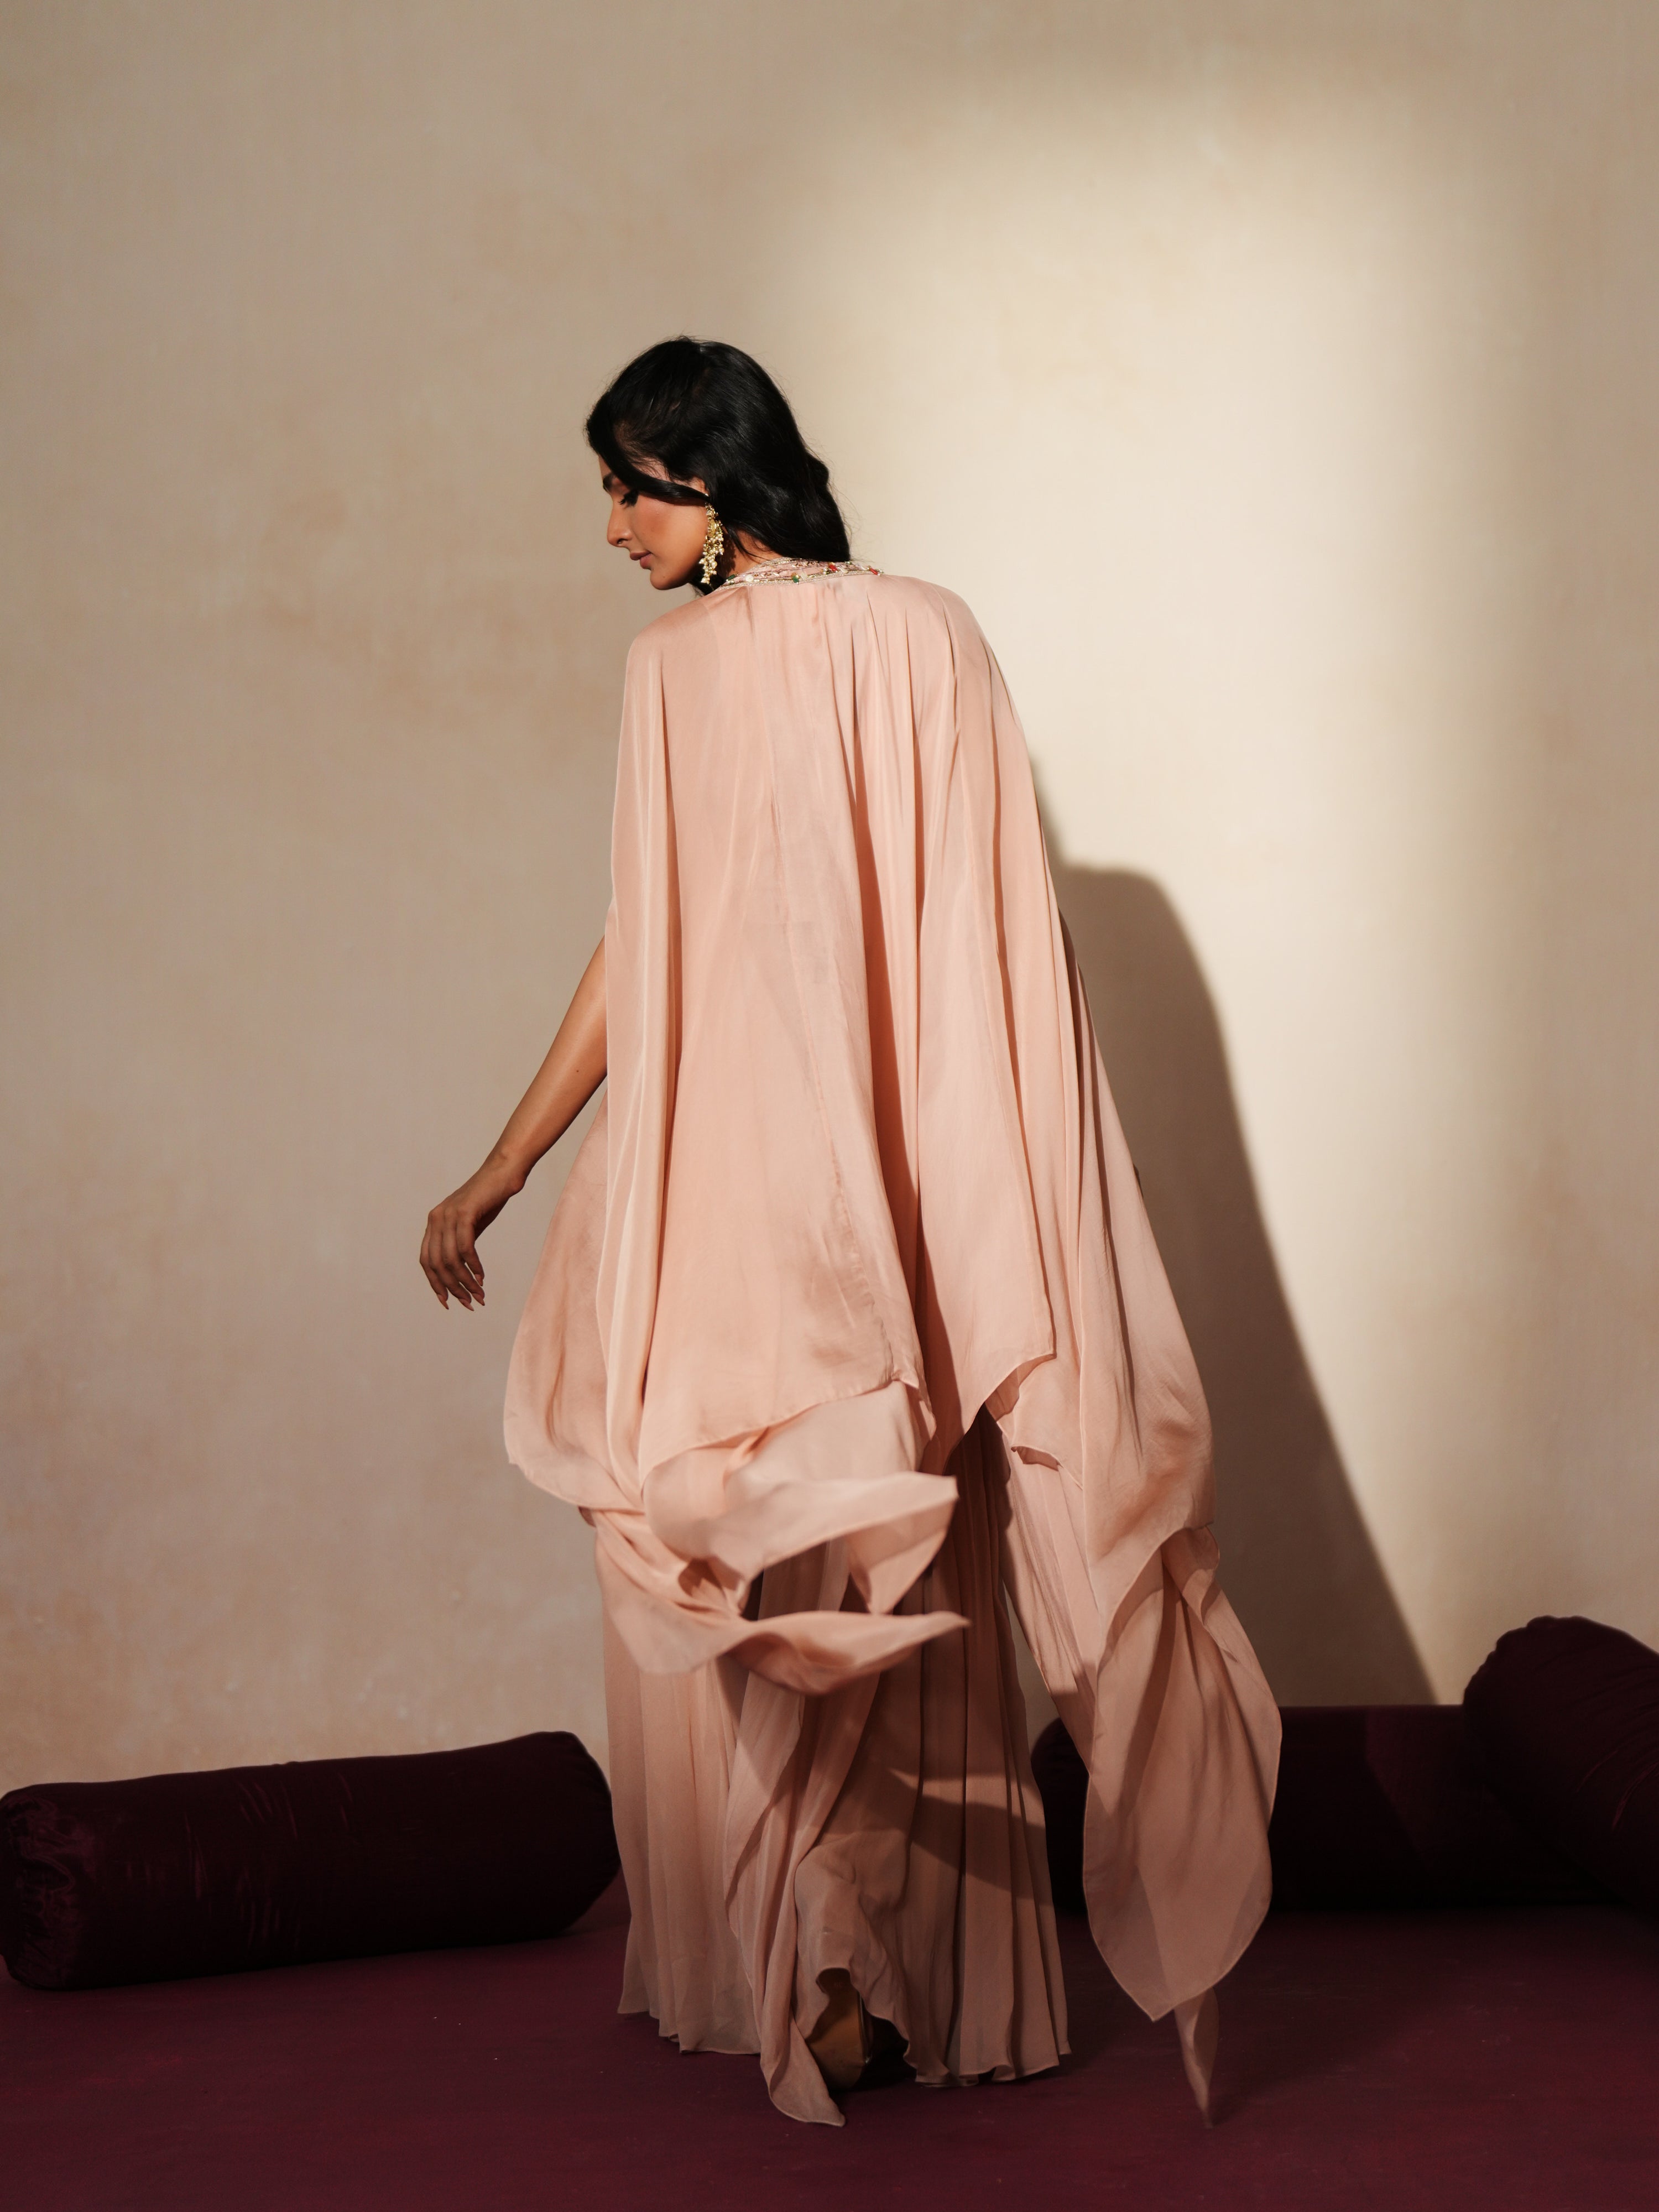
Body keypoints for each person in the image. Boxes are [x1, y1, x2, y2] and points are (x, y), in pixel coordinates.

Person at [421, 338, 1279, 2128]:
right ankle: (858, 1985)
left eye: (625, 490)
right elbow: (661, 946)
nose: (606, 531)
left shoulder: (751, 663)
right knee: (834, 1556)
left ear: (711, 485)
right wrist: (503, 1161)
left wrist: (523, 1171)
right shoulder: (916, 635)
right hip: (881, 1194)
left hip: (766, 1197)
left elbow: (969, 937)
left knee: (797, 1555)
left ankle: (829, 1978)